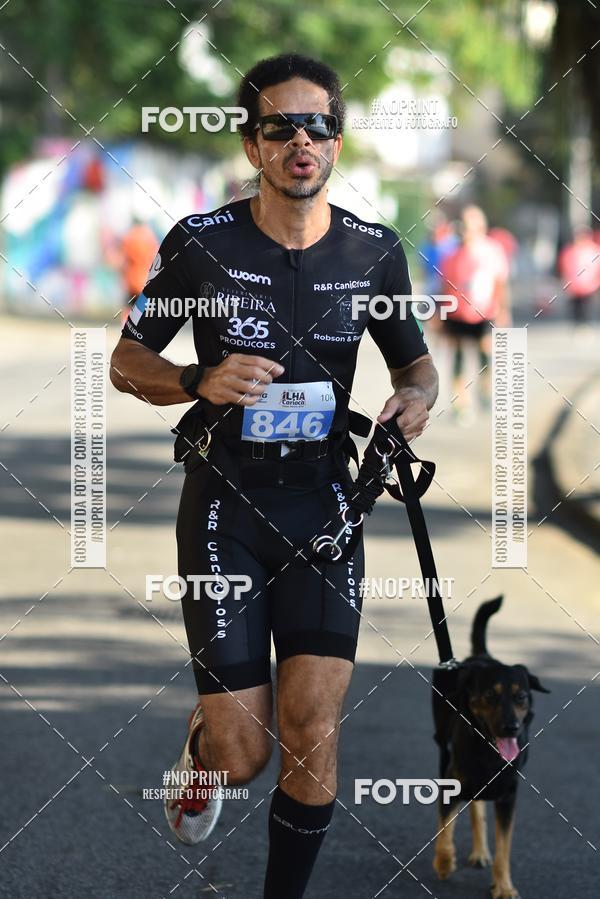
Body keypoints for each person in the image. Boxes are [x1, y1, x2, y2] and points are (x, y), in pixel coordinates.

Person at [110, 53, 438, 898]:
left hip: (326, 509)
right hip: (226, 506)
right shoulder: (202, 244)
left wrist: (414, 399)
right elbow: (125, 359)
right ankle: (206, 743)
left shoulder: (374, 252)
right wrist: (196, 378)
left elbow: (416, 366)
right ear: (252, 145)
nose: (302, 141)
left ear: (337, 142)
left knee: (314, 727)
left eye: (317, 126)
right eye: (280, 127)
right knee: (244, 753)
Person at [440, 205, 510, 422]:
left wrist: (503, 311)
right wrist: (439, 316)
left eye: (470, 226)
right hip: (457, 314)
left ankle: (485, 390)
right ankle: (460, 403)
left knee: (485, 354)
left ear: (480, 227)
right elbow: (444, 286)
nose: (465, 230)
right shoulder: (450, 253)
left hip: (485, 313)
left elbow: (500, 282)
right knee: (458, 358)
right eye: (463, 225)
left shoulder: (492, 251)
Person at [558, 227, 600, 328]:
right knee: (576, 305)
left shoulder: (594, 250)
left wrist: (596, 280)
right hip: (575, 285)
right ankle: (577, 324)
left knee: (587, 306)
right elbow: (564, 265)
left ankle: (585, 324)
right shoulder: (570, 250)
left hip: (589, 285)